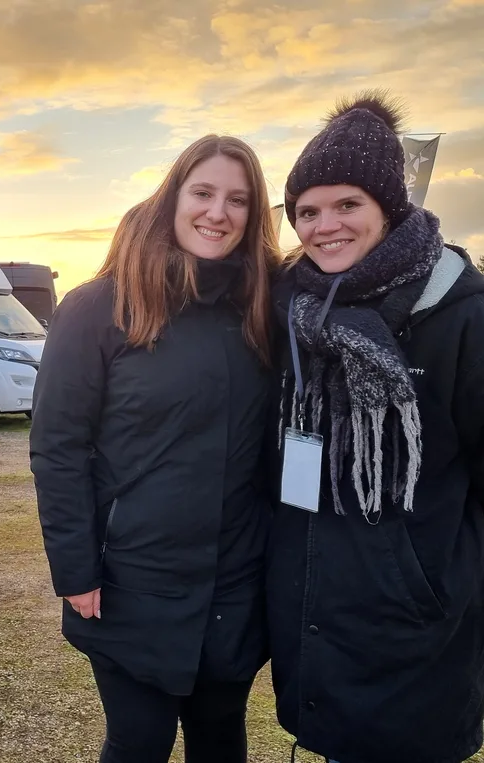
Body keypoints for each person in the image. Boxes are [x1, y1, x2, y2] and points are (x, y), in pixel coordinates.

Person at [29, 134, 280, 762]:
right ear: (172, 197)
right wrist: (76, 570)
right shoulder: (98, 307)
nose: (218, 212)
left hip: (235, 582)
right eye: (203, 192)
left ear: (254, 216)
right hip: (131, 578)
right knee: (139, 742)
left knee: (221, 740)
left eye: (238, 199)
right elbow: (58, 448)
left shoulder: (264, 308)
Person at [265, 90, 484, 763]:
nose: (324, 225)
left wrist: (428, 580)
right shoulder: (290, 311)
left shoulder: (459, 314)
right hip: (316, 624)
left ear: (390, 205)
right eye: (307, 211)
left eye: (347, 204)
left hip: (416, 635)